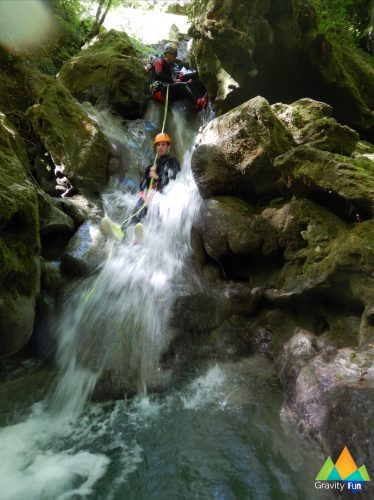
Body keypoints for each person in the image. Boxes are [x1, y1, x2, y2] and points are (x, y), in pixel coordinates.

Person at [130, 132, 180, 225]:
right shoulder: (151, 167)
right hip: (151, 197)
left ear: (168, 147)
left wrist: (156, 177)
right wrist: (142, 195)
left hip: (165, 199)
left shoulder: (173, 162)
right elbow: (142, 185)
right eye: (158, 145)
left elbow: (172, 183)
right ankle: (126, 230)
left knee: (153, 203)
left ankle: (145, 232)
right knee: (138, 206)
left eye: (163, 145)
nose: (160, 147)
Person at [149, 43, 208, 111]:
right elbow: (158, 74)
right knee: (185, 85)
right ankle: (199, 102)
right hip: (159, 90)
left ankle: (197, 104)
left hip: (166, 90)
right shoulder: (159, 60)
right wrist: (174, 80)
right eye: (174, 56)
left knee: (187, 87)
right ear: (169, 55)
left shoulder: (169, 66)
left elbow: (168, 79)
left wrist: (177, 79)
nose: (175, 58)